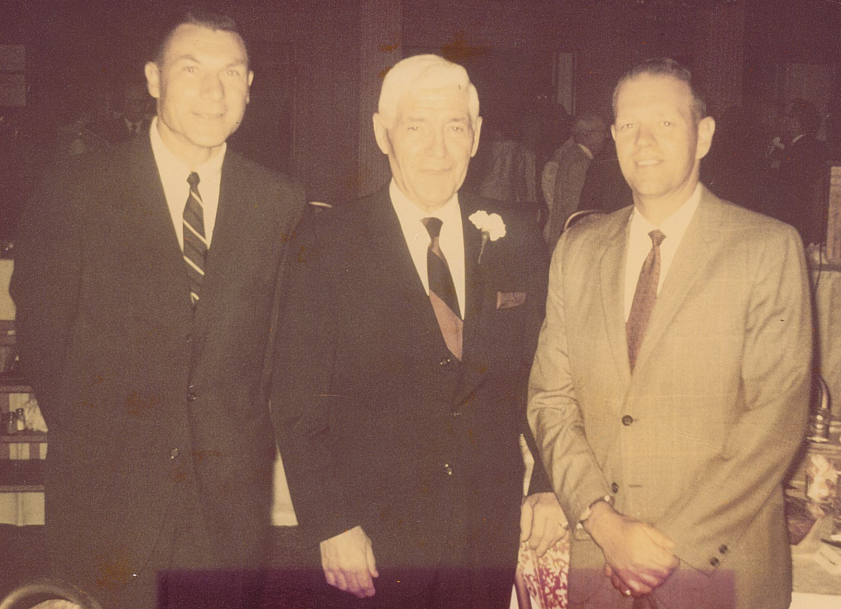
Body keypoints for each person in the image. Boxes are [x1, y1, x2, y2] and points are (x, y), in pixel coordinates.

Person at [10, 7, 305, 609]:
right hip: (105, 505)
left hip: (226, 516)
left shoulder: (281, 203)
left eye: (232, 72)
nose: (213, 90)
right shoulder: (77, 191)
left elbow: (277, 355)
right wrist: (101, 442)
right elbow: (44, 340)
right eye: (191, 69)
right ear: (153, 79)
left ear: (250, 86)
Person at [272, 54, 565, 609]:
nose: (438, 149)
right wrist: (332, 523)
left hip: (486, 531)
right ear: (383, 133)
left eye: (455, 127)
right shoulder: (324, 242)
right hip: (372, 540)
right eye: (416, 127)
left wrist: (547, 483)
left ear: (477, 137)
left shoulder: (518, 236)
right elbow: (295, 401)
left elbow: (545, 372)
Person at [528, 58, 812, 609]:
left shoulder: (766, 247)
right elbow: (551, 400)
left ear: (703, 135)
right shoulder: (578, 250)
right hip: (599, 560)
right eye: (629, 125)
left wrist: (668, 548)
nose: (644, 141)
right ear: (611, 137)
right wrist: (605, 525)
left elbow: (775, 421)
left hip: (716, 568)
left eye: (665, 123)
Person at [542, 114, 607, 247]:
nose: (606, 137)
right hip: (570, 239)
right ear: (588, 135)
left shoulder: (575, 155)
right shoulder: (580, 162)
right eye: (602, 132)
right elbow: (573, 208)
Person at [776, 97, 829, 244]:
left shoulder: (797, 152)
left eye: (785, 116)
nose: (780, 120)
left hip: (798, 230)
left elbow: (789, 198)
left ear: (796, 122)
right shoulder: (815, 147)